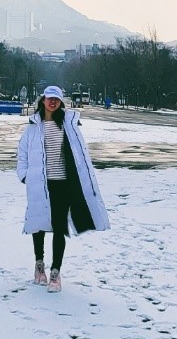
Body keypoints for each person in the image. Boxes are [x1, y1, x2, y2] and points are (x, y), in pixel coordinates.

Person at [15, 85, 109, 293]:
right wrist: (25, 176)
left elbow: (81, 153)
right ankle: (39, 266)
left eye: (56, 100)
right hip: (40, 184)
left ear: (60, 102)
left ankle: (55, 271)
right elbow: (22, 154)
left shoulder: (68, 126)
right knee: (38, 226)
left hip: (63, 184)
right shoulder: (32, 127)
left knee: (59, 228)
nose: (52, 102)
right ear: (43, 100)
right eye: (49, 99)